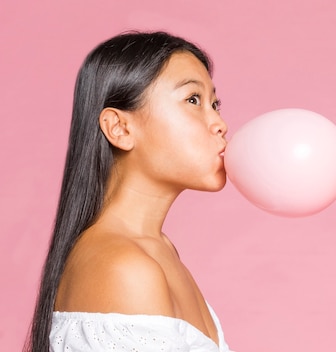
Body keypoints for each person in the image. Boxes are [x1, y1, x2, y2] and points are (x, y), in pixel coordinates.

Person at [24, 31, 232, 352]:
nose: (220, 123)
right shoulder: (124, 266)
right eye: (193, 100)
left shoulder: (160, 250)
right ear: (120, 129)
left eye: (215, 104)